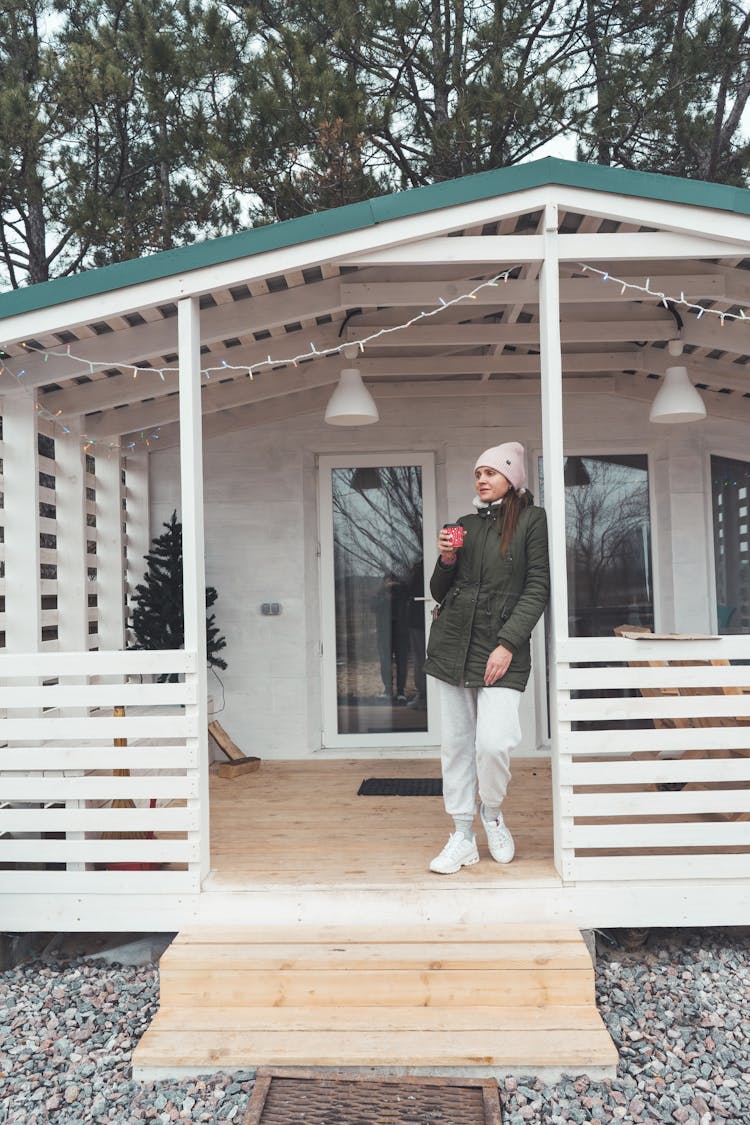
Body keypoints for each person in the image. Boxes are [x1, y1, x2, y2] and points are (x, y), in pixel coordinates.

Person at [423, 441, 550, 874]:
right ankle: (461, 835)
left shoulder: (532, 520)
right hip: (452, 645)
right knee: (457, 746)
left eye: (491, 472)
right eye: (477, 472)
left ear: (511, 478)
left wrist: (508, 643)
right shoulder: (464, 525)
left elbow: (537, 587)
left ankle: (491, 812)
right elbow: (441, 591)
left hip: (500, 649)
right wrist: (445, 558)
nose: (481, 479)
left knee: (494, 743)